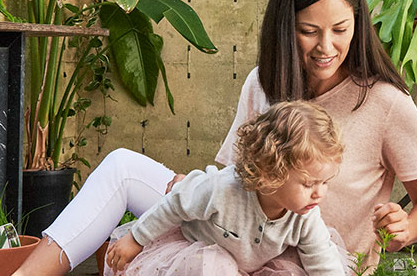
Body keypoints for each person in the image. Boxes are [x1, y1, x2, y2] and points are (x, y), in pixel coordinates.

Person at [14, 0, 417, 275]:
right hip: (239, 229)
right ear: (286, 26)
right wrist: (198, 187)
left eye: (341, 30)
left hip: (309, 258)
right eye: (308, 31)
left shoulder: (386, 102)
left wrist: (407, 228)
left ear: (359, 23)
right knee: (122, 170)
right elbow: (234, 176)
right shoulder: (265, 81)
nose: (326, 47)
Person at [104, 101, 348, 276]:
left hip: (256, 266)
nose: (319, 193)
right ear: (270, 172)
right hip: (200, 259)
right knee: (213, 265)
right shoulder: (222, 189)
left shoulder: (305, 216)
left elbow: (322, 260)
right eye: (308, 184)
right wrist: (136, 238)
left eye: (324, 182)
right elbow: (174, 204)